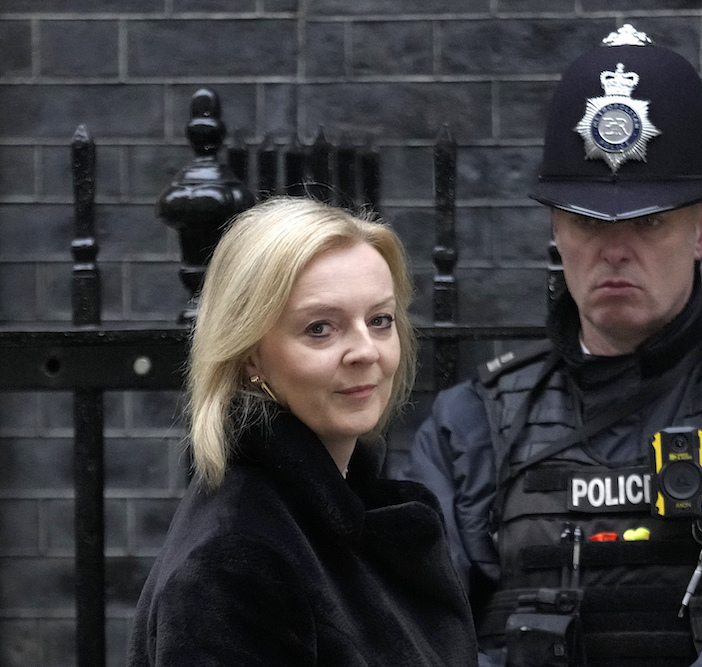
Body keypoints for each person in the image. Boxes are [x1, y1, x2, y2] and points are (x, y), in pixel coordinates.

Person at [403, 24, 702, 667]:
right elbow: (411, 633)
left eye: (649, 222)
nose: (614, 250)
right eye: (587, 221)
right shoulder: (467, 430)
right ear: (555, 227)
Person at [127, 196, 478, 666]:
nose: (365, 351)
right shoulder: (235, 560)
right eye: (320, 328)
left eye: (379, 321)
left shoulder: (339, 516)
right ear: (250, 354)